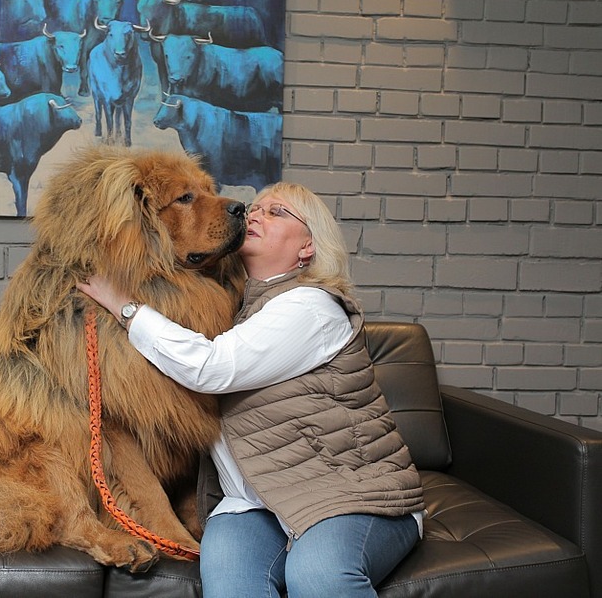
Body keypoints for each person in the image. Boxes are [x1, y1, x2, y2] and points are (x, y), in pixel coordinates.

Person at [77, 181, 425, 598]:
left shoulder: (311, 308)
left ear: (307, 248)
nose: (254, 214)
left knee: (317, 573)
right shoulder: (236, 309)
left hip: (349, 497)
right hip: (256, 505)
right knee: (228, 578)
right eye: (255, 208)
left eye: (277, 213)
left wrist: (125, 306)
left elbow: (211, 367)